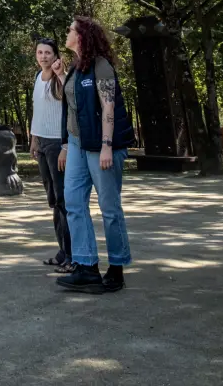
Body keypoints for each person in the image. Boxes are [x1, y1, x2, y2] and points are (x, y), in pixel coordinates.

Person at [57, 16, 134, 293]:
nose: (67, 33)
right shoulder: (75, 67)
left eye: (70, 29)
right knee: (74, 202)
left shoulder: (101, 66)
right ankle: (86, 266)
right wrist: (60, 76)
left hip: (101, 144)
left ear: (82, 36)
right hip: (78, 143)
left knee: (109, 208)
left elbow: (108, 108)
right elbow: (73, 105)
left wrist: (106, 146)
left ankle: (117, 267)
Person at [29, 38, 73, 272]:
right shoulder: (38, 77)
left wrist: (66, 146)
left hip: (58, 142)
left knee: (63, 199)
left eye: (48, 52)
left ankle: (72, 255)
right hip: (42, 143)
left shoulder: (61, 77)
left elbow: (71, 101)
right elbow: (38, 110)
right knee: (53, 200)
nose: (43, 56)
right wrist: (34, 139)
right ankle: (62, 251)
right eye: (40, 52)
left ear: (56, 55)